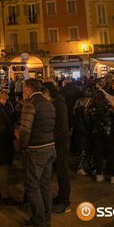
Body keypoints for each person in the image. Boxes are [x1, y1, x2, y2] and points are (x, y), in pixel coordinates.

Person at [19, 79, 56, 227]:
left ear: (28, 89)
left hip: (37, 148)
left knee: (32, 185)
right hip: (50, 146)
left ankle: (39, 221)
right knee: (45, 184)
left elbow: (25, 130)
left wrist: (22, 145)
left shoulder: (31, 104)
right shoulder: (48, 103)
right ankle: (47, 218)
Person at [43, 81, 71, 214]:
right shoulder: (57, 102)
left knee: (62, 172)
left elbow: (60, 126)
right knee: (59, 171)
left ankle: (65, 202)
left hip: (61, 143)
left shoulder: (57, 104)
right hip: (59, 141)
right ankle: (61, 197)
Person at [88, 90, 114, 183]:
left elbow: (88, 121)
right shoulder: (108, 107)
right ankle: (113, 176)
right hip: (108, 133)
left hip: (96, 133)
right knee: (110, 154)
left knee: (98, 153)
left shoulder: (91, 108)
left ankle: (99, 174)